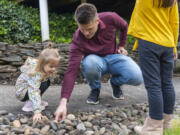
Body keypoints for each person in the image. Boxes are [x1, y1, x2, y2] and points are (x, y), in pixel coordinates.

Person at [55, 3, 143, 121]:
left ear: (97, 21)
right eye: (82, 29)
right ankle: (95, 89)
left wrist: (122, 45)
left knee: (137, 77)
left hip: (114, 57)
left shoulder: (110, 18)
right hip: (95, 61)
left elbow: (124, 26)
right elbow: (71, 71)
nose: (86, 33)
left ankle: (115, 83)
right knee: (89, 62)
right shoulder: (77, 39)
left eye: (89, 29)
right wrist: (63, 102)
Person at [128, 0, 179, 134]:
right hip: (167, 43)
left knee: (153, 86)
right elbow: (174, 23)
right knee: (167, 83)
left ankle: (154, 128)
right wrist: (173, 46)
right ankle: (167, 124)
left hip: (149, 43)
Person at [15, 43, 61, 121]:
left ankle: (36, 101)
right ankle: (30, 104)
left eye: (55, 67)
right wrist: (37, 111)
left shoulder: (41, 66)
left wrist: (50, 71)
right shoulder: (36, 73)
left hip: (26, 89)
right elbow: (33, 90)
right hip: (22, 93)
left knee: (46, 81)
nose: (54, 69)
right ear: (42, 64)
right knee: (42, 84)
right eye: (51, 66)